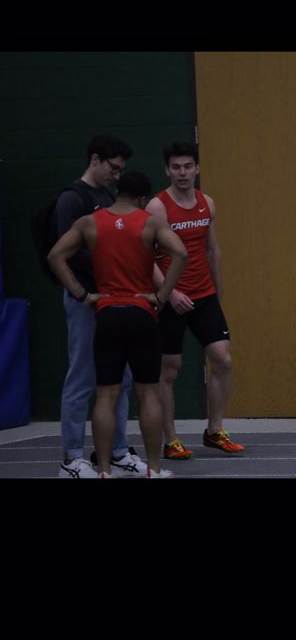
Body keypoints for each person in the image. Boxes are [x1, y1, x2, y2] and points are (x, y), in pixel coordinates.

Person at [48, 170, 188, 479]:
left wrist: (82, 295)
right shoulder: (150, 223)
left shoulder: (89, 222)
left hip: (107, 313)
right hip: (141, 313)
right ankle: (153, 469)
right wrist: (162, 295)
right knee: (148, 393)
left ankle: (104, 470)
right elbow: (180, 252)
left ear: (118, 191)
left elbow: (55, 255)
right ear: (142, 199)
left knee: (106, 394)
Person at [56, 133, 150, 480]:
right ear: (95, 159)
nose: (116, 174)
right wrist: (82, 295)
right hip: (87, 300)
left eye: (121, 170)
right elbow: (63, 253)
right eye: (113, 167)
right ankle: (71, 458)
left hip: (112, 300)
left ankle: (118, 452)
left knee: (120, 377)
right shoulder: (72, 198)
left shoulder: (108, 196)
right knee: (82, 377)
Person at [145, 142, 245, 457]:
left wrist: (218, 289)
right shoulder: (157, 207)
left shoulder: (206, 203)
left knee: (223, 360)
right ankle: (171, 440)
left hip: (204, 295)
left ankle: (214, 430)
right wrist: (169, 292)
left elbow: (212, 249)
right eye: (176, 167)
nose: (182, 173)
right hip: (170, 299)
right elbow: (144, 257)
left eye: (188, 166)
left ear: (197, 168)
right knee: (170, 369)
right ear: (167, 170)